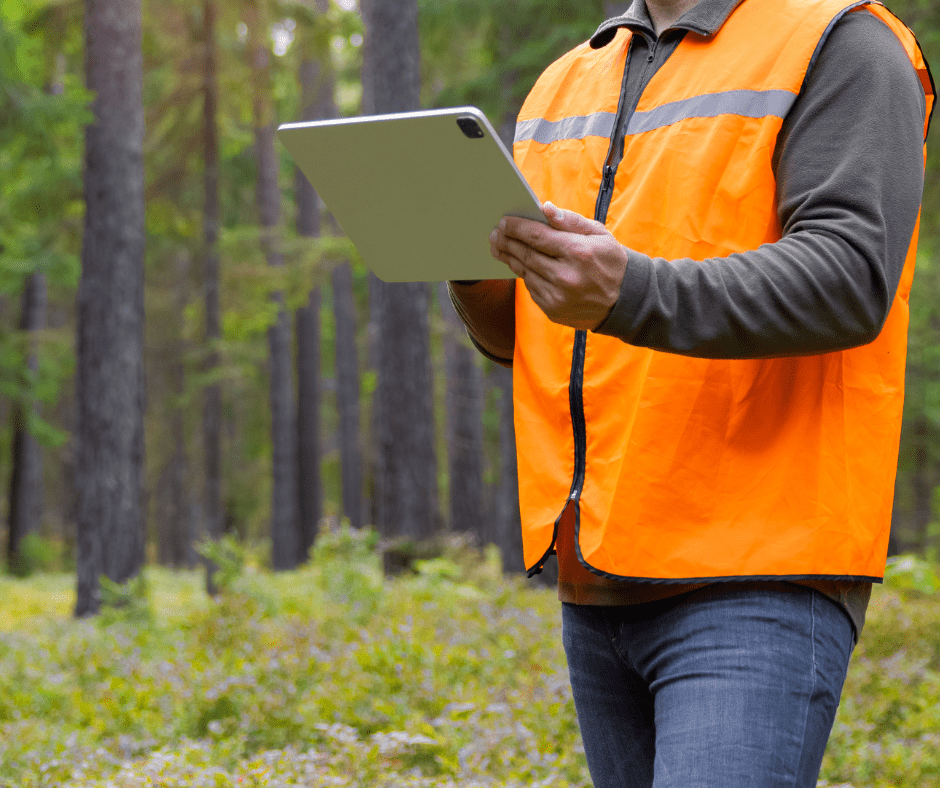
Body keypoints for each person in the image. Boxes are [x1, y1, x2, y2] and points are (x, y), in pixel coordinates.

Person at [447, 0, 934, 786]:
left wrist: (629, 289)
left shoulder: (842, 41)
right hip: (596, 577)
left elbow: (850, 278)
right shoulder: (566, 81)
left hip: (758, 571)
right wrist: (473, 268)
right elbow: (530, 333)